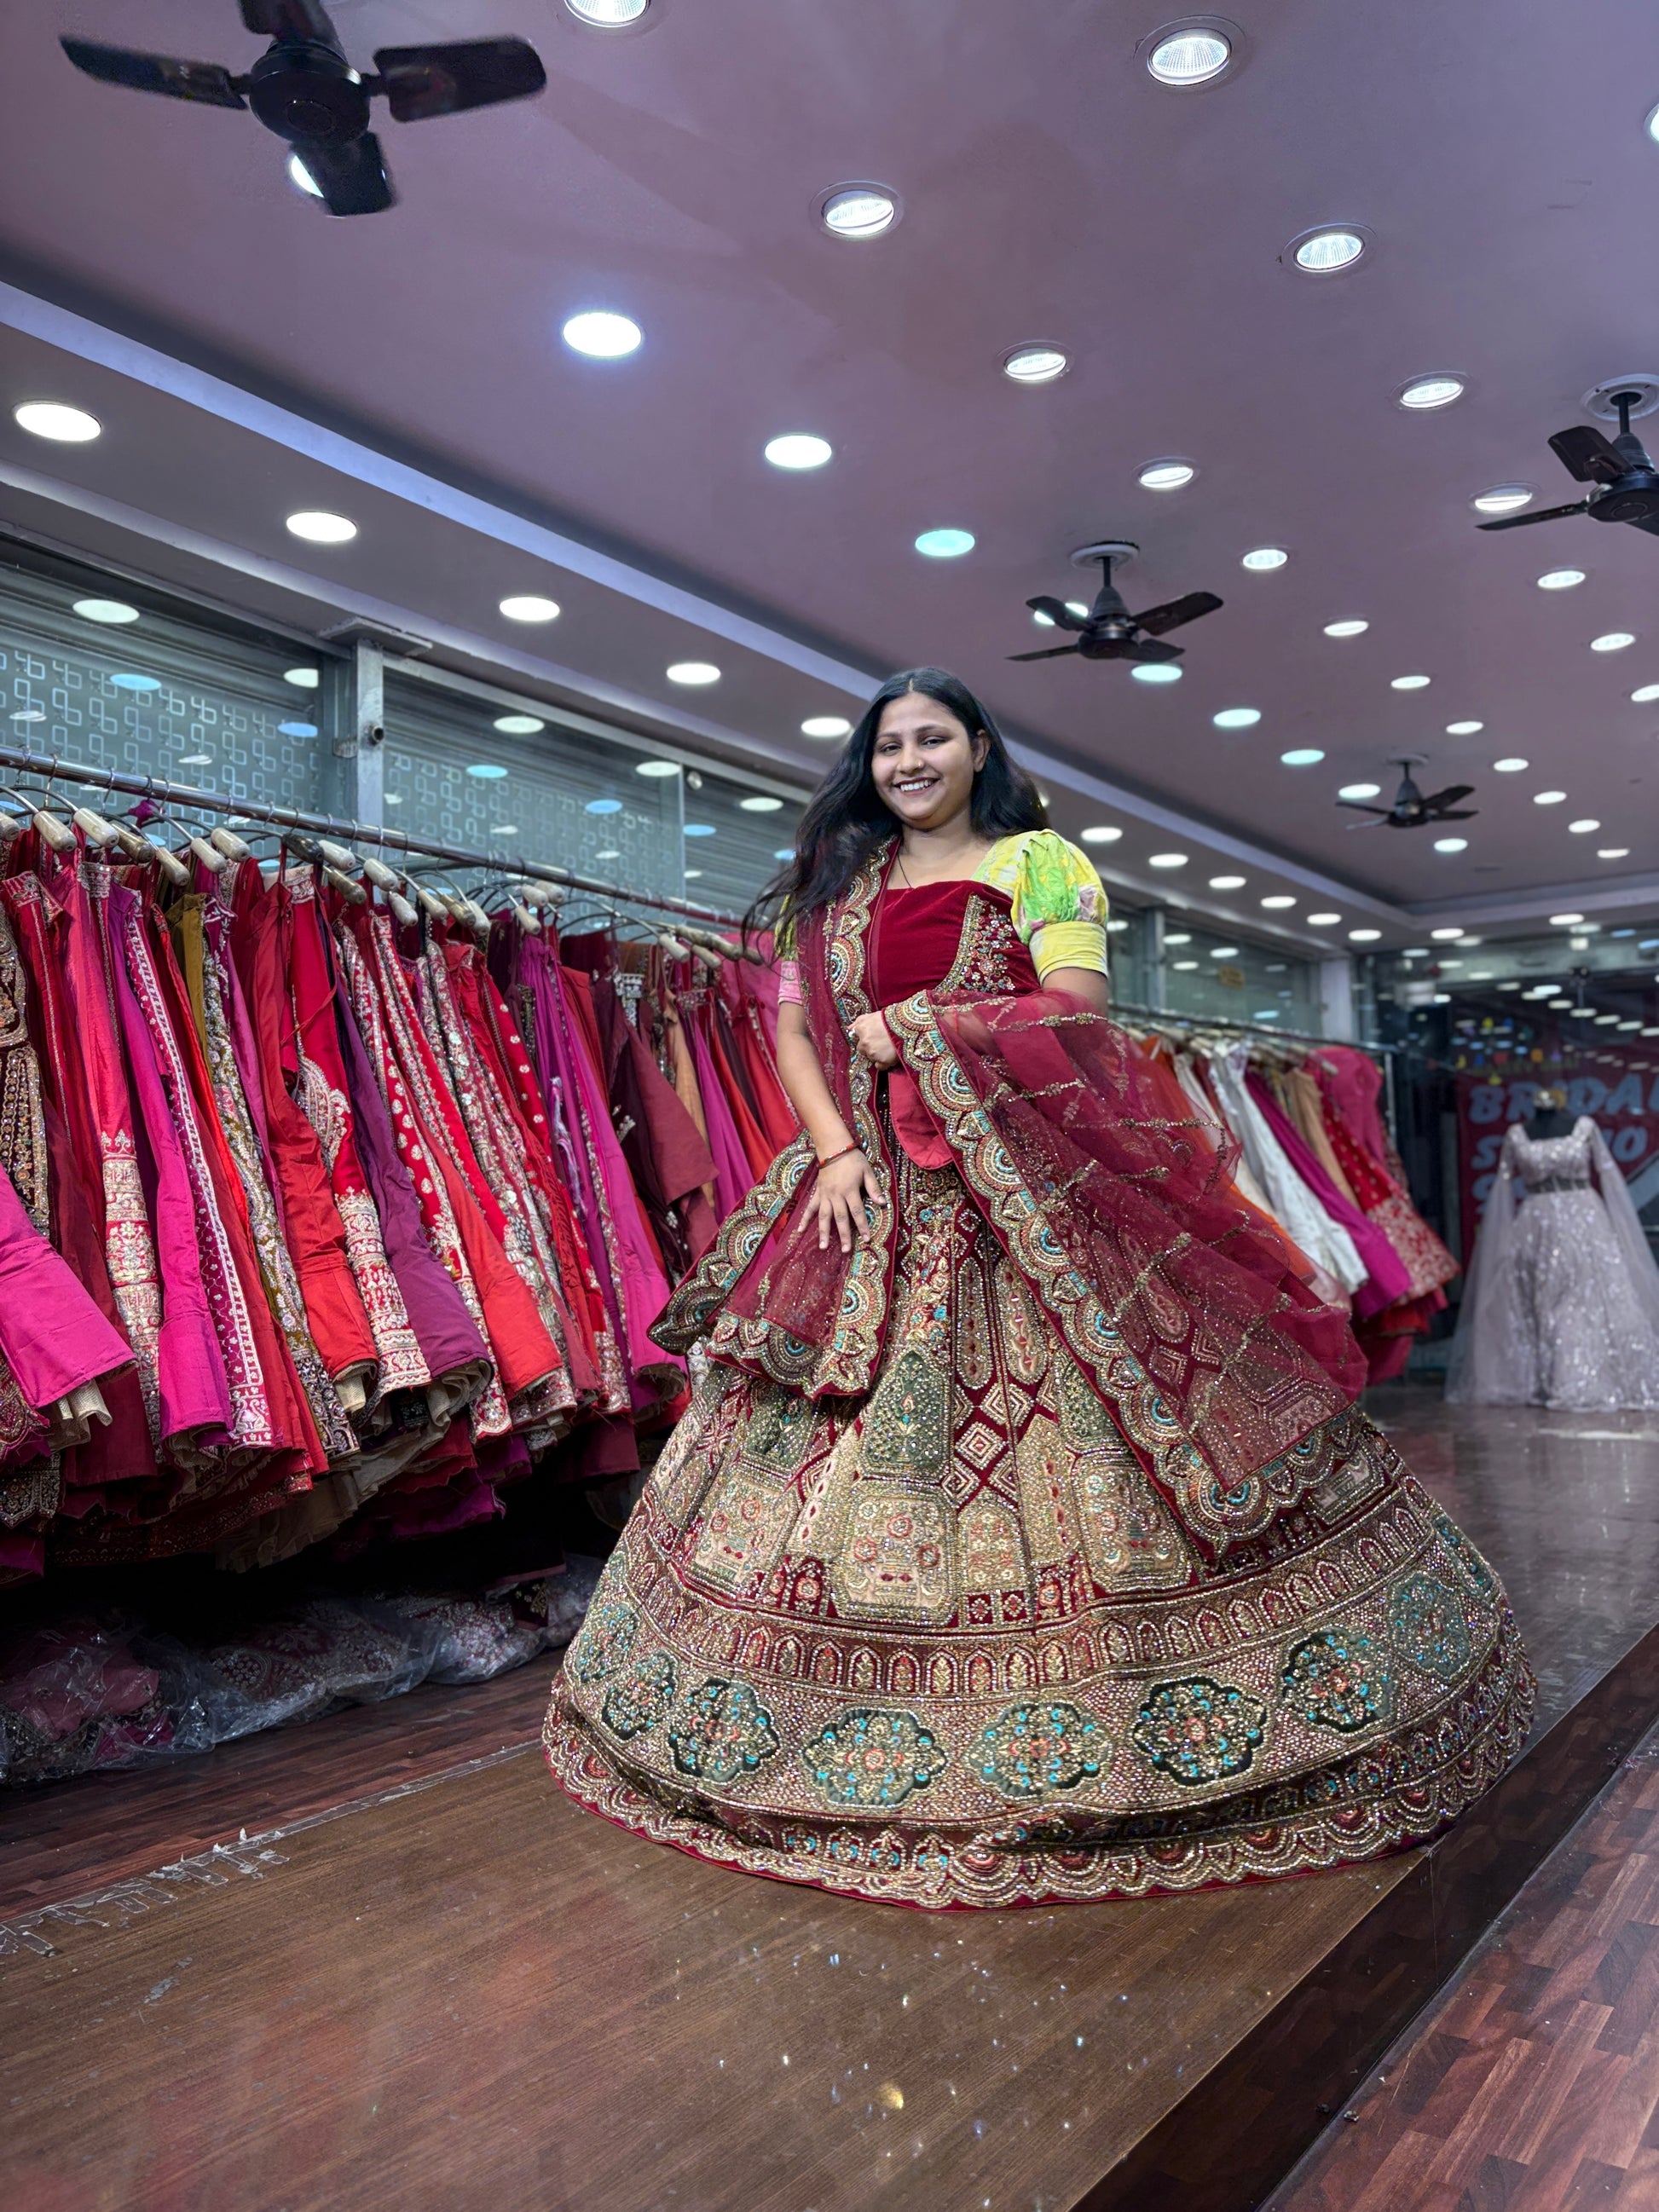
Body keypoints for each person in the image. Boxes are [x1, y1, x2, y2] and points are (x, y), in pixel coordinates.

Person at [545, 669, 1534, 1909]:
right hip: (865, 1194)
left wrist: (921, 1028)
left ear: (977, 748)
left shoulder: (1041, 864)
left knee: (1100, 1431)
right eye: (888, 745)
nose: (908, 761)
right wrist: (835, 1152)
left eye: (931, 739)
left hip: (1020, 1192)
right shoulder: (838, 889)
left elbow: (1076, 1014)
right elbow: (792, 1030)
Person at [1448, 1108, 1659, 1411]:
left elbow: (1607, 1172)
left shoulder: (1585, 1127)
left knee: (1586, 1296)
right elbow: (1503, 1184)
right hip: (1536, 1223)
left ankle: (1584, 1376)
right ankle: (1544, 1377)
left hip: (1584, 1220)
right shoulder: (1517, 1134)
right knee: (1540, 1300)